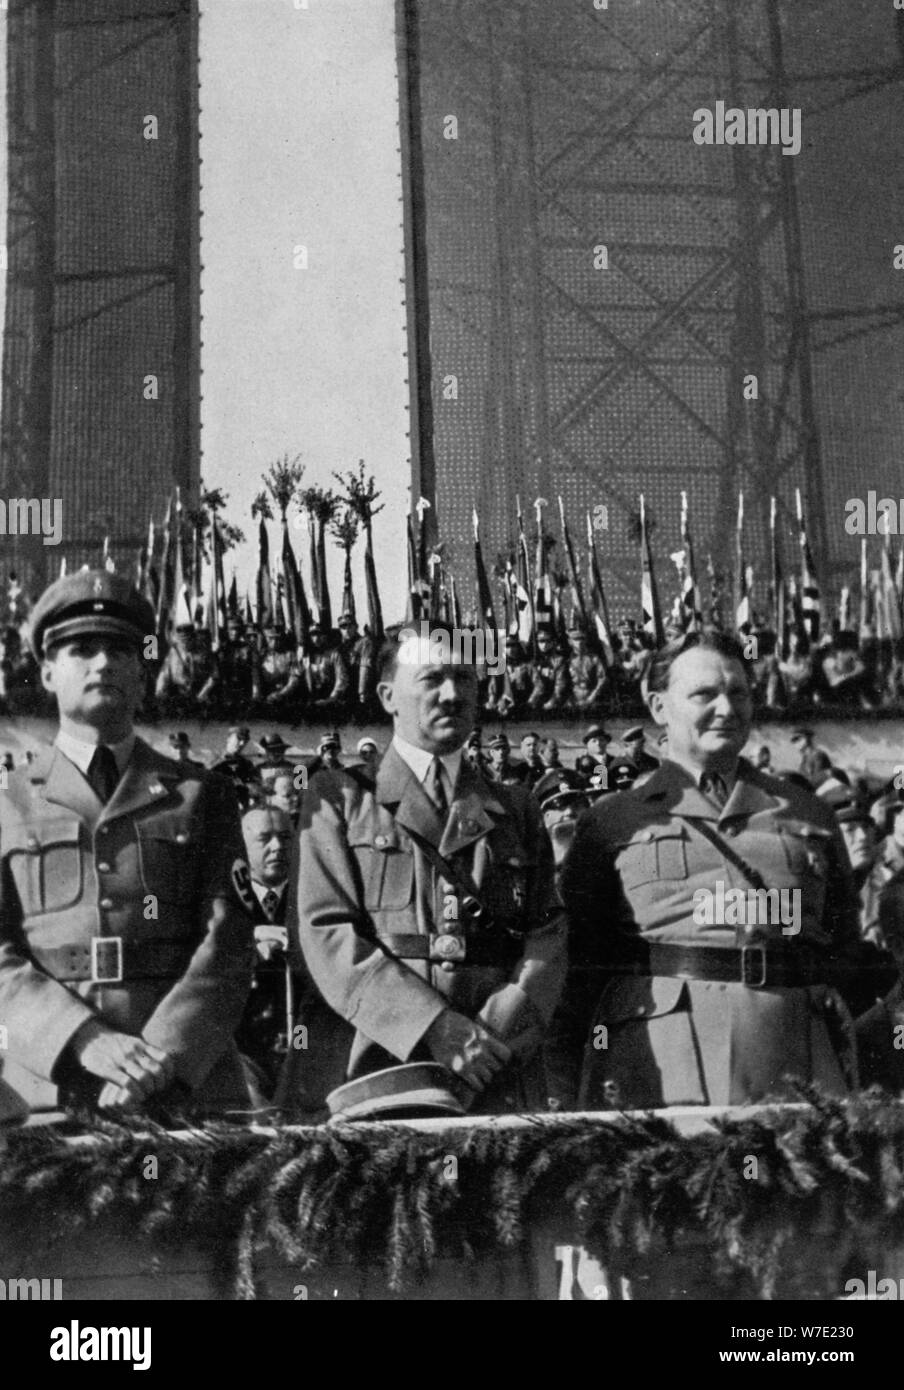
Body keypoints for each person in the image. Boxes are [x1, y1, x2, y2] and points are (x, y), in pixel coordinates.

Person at [555, 629, 865, 1112]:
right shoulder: (613, 821)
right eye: (704, 694)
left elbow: (844, 942)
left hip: (795, 1057)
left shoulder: (807, 813)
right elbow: (579, 968)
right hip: (660, 1063)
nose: (726, 708)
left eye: (737, 692)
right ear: (659, 707)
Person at [276, 622, 567, 1120]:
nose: (452, 694)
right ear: (388, 695)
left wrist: (504, 1018)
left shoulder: (515, 807)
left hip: (492, 1067)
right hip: (371, 1060)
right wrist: (432, 1024)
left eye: (465, 678)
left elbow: (549, 932)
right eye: (432, 678)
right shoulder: (340, 800)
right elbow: (321, 932)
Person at [0, 570, 256, 1114]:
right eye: (81, 649)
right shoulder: (8, 801)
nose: (103, 662)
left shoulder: (199, 793)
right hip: (50, 1078)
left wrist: (160, 1057)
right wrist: (85, 1040)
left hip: (185, 1082)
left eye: (121, 649)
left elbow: (229, 942)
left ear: (143, 674)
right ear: (47, 672)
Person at [235, 806, 297, 1099]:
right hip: (244, 1045)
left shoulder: (311, 895)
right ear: (242, 845)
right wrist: (252, 939)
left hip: (303, 1041)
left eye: (286, 838)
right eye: (265, 839)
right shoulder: (226, 901)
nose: (278, 847)